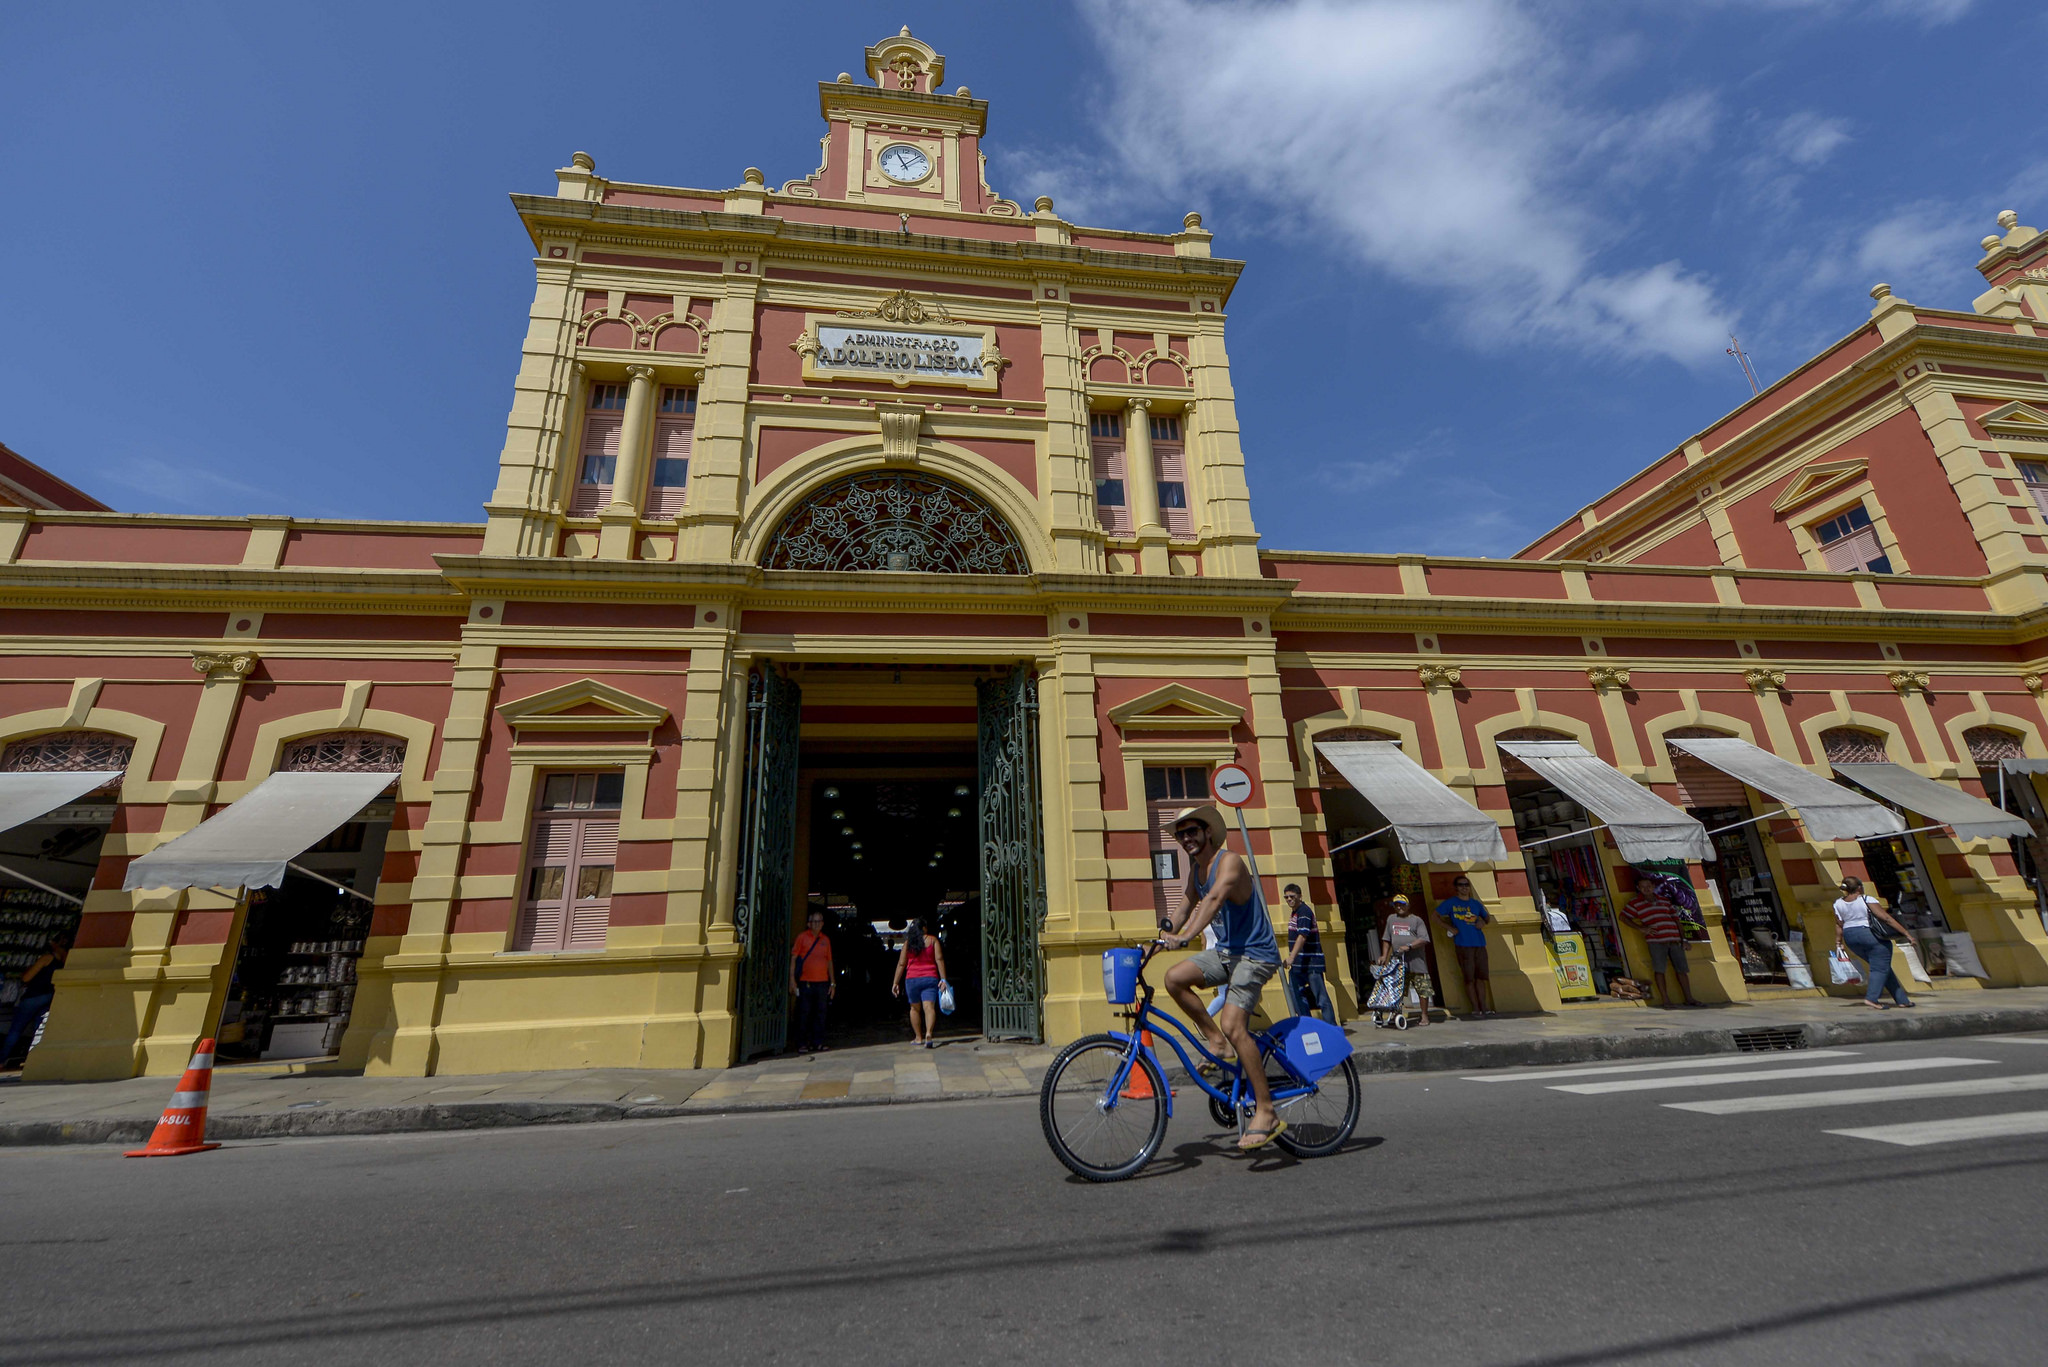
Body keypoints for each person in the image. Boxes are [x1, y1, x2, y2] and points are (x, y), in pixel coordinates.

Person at [1160, 804, 1287, 1151]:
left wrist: (1186, 937)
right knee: (1174, 978)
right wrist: (1160, 936)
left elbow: (1213, 900)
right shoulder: (1195, 871)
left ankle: (1267, 1110)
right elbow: (1186, 905)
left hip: (1255, 953)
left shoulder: (1229, 862)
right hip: (1227, 953)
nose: (1186, 838)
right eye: (1181, 833)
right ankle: (1216, 1041)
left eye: (1192, 831)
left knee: (1235, 1024)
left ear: (1208, 833)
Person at [1834, 875, 1915, 1010]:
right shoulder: (1866, 899)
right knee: (1880, 968)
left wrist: (1838, 942)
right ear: (1859, 887)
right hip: (1870, 935)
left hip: (1851, 938)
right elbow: (1885, 918)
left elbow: (1838, 924)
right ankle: (1872, 999)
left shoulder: (1838, 903)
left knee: (1882, 967)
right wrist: (1906, 933)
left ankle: (1902, 1000)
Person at [1619, 874, 1698, 1008]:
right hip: (1656, 941)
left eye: (1649, 886)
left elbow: (1677, 921)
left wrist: (1683, 939)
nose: (1646, 889)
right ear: (1638, 888)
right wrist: (1641, 928)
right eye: (1643, 887)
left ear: (1654, 887)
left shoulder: (1665, 901)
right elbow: (1623, 917)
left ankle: (1689, 998)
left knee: (1681, 970)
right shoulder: (1635, 903)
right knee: (1659, 970)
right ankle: (1665, 1000)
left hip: (1674, 940)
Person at [2, 931, 70, 1068]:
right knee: (39, 1030)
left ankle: (1, 1059)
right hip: (52, 996)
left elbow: (26, 978)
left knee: (16, 1029)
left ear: (53, 943)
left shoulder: (47, 958)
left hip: (34, 996)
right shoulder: (67, 960)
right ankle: (32, 1060)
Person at [1433, 875, 1496, 1017]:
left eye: (1467, 885)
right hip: (1463, 944)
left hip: (1479, 944)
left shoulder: (1476, 904)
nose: (1464, 887)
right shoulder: (1450, 903)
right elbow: (1435, 916)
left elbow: (1487, 918)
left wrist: (1483, 923)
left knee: (1481, 977)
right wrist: (1448, 927)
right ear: (1456, 888)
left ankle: (1484, 1007)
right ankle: (1475, 1008)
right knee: (1469, 978)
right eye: (1461, 885)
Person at [891, 917, 949, 1048]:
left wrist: (895, 982)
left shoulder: (908, 943)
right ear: (924, 928)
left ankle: (918, 1037)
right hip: (930, 978)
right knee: (929, 1008)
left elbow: (901, 964)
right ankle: (929, 1033)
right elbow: (939, 959)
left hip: (911, 980)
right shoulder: (933, 940)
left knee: (914, 1009)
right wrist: (943, 979)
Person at [1281, 884, 1335, 1022]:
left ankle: (1332, 1028)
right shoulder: (1295, 912)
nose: (1289, 900)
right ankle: (1307, 1024)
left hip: (1311, 963)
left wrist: (1291, 957)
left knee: (1321, 997)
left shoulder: (1304, 911)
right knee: (1295, 994)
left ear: (1300, 896)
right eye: (1286, 897)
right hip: (1299, 964)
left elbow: (1302, 935)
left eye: (1292, 897)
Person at [1378, 895, 1433, 1027]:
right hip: (1397, 962)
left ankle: (1424, 1015)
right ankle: (1397, 1014)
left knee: (1422, 989)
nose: (1399, 907)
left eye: (1402, 904)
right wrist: (1384, 956)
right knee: (1397, 989)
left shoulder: (1416, 920)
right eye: (1396, 905)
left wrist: (1409, 946)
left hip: (1416, 961)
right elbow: (1387, 939)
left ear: (1408, 906)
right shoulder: (1391, 919)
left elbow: (1424, 938)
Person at [788, 908, 835, 1054]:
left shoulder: (825, 940)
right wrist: (792, 979)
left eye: (819, 921)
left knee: (820, 1013)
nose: (816, 924)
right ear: (809, 924)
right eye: (814, 921)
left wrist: (833, 982)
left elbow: (829, 961)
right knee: (804, 1013)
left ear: (822, 924)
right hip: (805, 982)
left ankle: (818, 1043)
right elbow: (794, 958)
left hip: (822, 982)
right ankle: (802, 1043)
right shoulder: (802, 938)